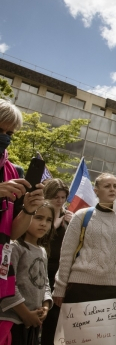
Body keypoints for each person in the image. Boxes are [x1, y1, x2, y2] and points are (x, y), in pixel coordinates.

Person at [52, 173, 116, 335]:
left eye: (115, 186)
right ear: (96, 191)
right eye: (107, 186)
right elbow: (66, 254)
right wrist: (60, 287)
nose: (112, 189)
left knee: (104, 339)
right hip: (80, 287)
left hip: (110, 288)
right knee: (76, 337)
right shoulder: (82, 216)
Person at [0, 99, 45, 318]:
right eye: (0, 129)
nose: (5, 137)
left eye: (10, 133)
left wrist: (27, 209)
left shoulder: (12, 172)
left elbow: (12, 234)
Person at [0, 203, 54, 343]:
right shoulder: (13, 247)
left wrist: (46, 306)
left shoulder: (42, 250)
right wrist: (25, 314)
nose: (43, 224)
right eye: (38, 218)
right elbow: (7, 285)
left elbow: (44, 282)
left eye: (48, 220)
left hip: (33, 321)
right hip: (11, 322)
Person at [39, 178, 71, 345]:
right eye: (56, 197)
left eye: (63, 197)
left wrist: (72, 224)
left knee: (53, 319)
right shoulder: (41, 213)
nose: (59, 201)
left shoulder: (68, 216)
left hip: (58, 274)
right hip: (39, 270)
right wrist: (55, 223)